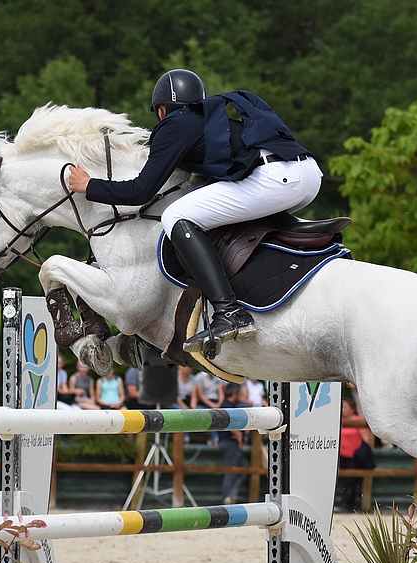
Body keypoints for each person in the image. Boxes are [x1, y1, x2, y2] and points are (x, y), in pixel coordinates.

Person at [68, 69, 322, 358]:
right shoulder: (208, 122)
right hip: (307, 174)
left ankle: (229, 311)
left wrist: (90, 185)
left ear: (161, 111)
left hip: (275, 178)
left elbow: (140, 192)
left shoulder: (174, 126)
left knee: (175, 216)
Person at [337, 398, 375, 512]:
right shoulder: (338, 422)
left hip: (353, 457)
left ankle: (348, 505)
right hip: (340, 457)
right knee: (344, 481)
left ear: (352, 409)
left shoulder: (359, 421)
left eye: (345, 408)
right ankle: (344, 504)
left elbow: (366, 442)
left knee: (351, 481)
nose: (343, 410)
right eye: (342, 407)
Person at [219, 383, 250, 504]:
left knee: (238, 472)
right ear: (235, 393)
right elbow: (229, 424)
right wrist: (239, 437)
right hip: (230, 443)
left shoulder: (226, 405)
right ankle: (227, 498)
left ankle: (230, 496)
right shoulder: (228, 406)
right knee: (232, 472)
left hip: (227, 442)